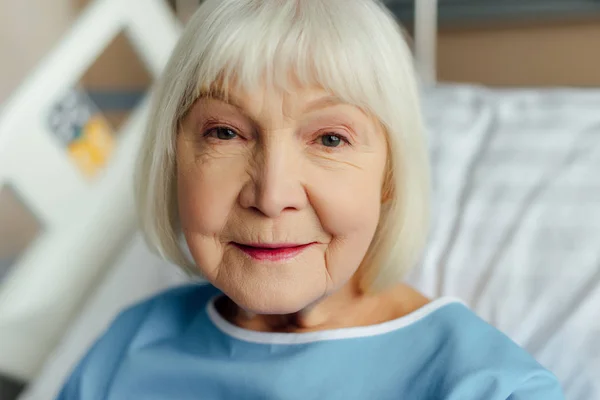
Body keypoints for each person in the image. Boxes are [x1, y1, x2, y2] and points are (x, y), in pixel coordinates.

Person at [57, 0, 565, 398]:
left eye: (329, 139)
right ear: (174, 163)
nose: (273, 196)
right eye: (225, 133)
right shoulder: (129, 346)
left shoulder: (492, 389)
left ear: (389, 178)